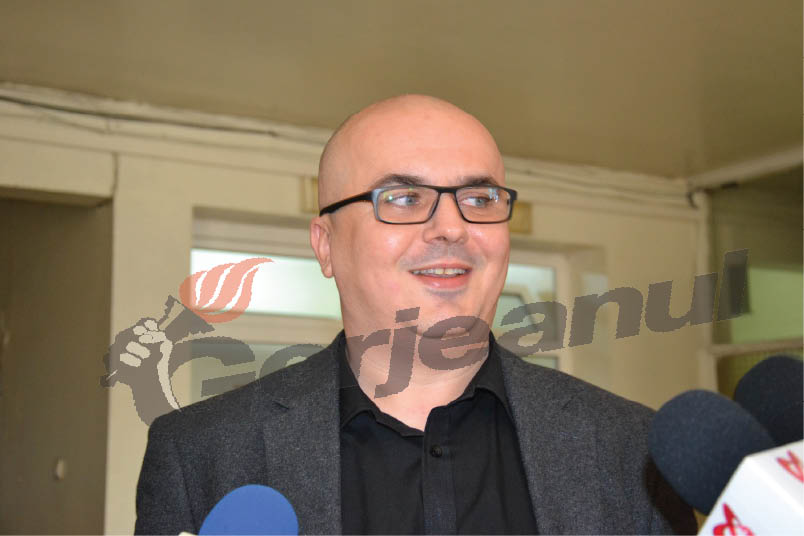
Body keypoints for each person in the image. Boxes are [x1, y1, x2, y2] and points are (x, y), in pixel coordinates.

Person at [134, 95, 696, 534]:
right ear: (326, 246)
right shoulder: (201, 454)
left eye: (479, 199)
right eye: (404, 199)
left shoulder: (634, 451)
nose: (451, 227)